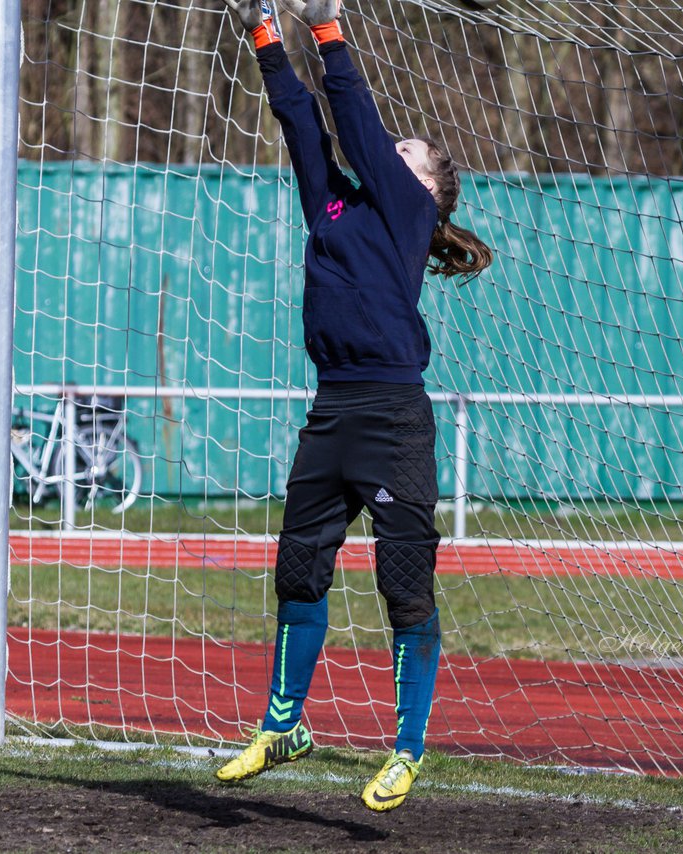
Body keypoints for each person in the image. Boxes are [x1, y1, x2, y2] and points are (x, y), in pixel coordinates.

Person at [215, 0, 493, 811]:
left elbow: (354, 120)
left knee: (405, 586)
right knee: (297, 571)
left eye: (406, 153)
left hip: (395, 417)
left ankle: (407, 749)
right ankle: (283, 725)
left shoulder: (407, 208)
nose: (389, 150)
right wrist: (265, 30)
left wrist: (328, 26)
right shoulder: (332, 206)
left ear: (427, 189)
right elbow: (302, 118)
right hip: (332, 411)